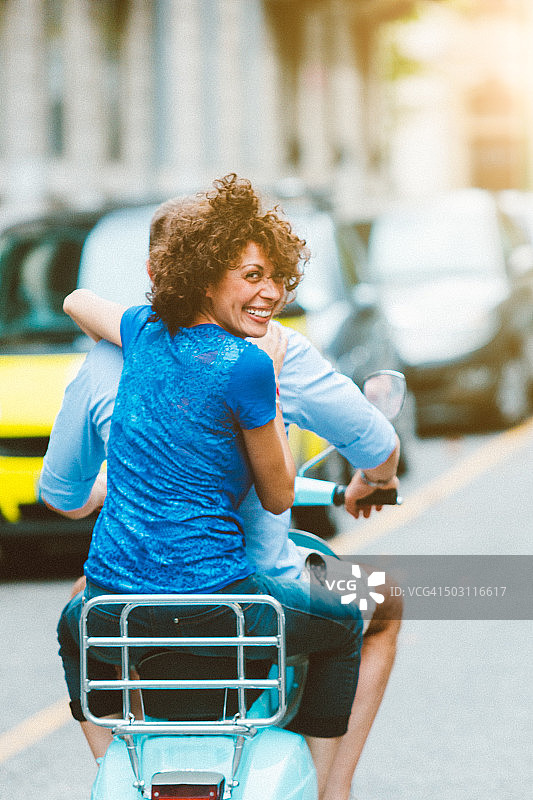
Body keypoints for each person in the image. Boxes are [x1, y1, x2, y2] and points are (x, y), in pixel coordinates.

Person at [44, 175, 366, 799]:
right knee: (347, 620)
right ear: (204, 272)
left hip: (113, 609)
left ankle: (125, 770)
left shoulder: (139, 331)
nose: (272, 293)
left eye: (278, 277)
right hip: (221, 607)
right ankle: (328, 789)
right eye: (252, 276)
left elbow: (78, 300)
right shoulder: (247, 365)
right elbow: (276, 496)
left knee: (69, 631)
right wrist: (271, 402)